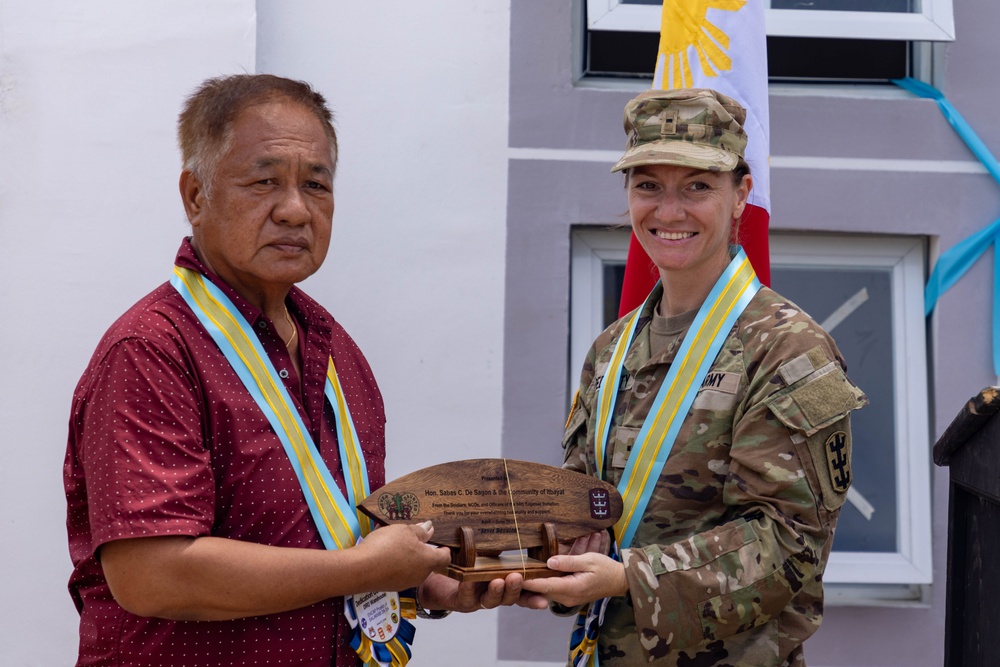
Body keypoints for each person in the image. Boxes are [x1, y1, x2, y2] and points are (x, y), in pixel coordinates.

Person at [63, 73, 522, 667]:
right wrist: (362, 568)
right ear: (195, 195)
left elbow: (329, 535)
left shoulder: (334, 349)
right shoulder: (153, 349)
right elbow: (153, 575)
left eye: (317, 184)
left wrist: (426, 583)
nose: (296, 210)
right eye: (264, 182)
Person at [521, 88, 869, 666]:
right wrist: (511, 560)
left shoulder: (788, 349)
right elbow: (586, 505)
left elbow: (789, 546)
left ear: (741, 196)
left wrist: (623, 576)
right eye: (648, 185)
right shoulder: (611, 349)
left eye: (698, 186)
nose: (670, 211)